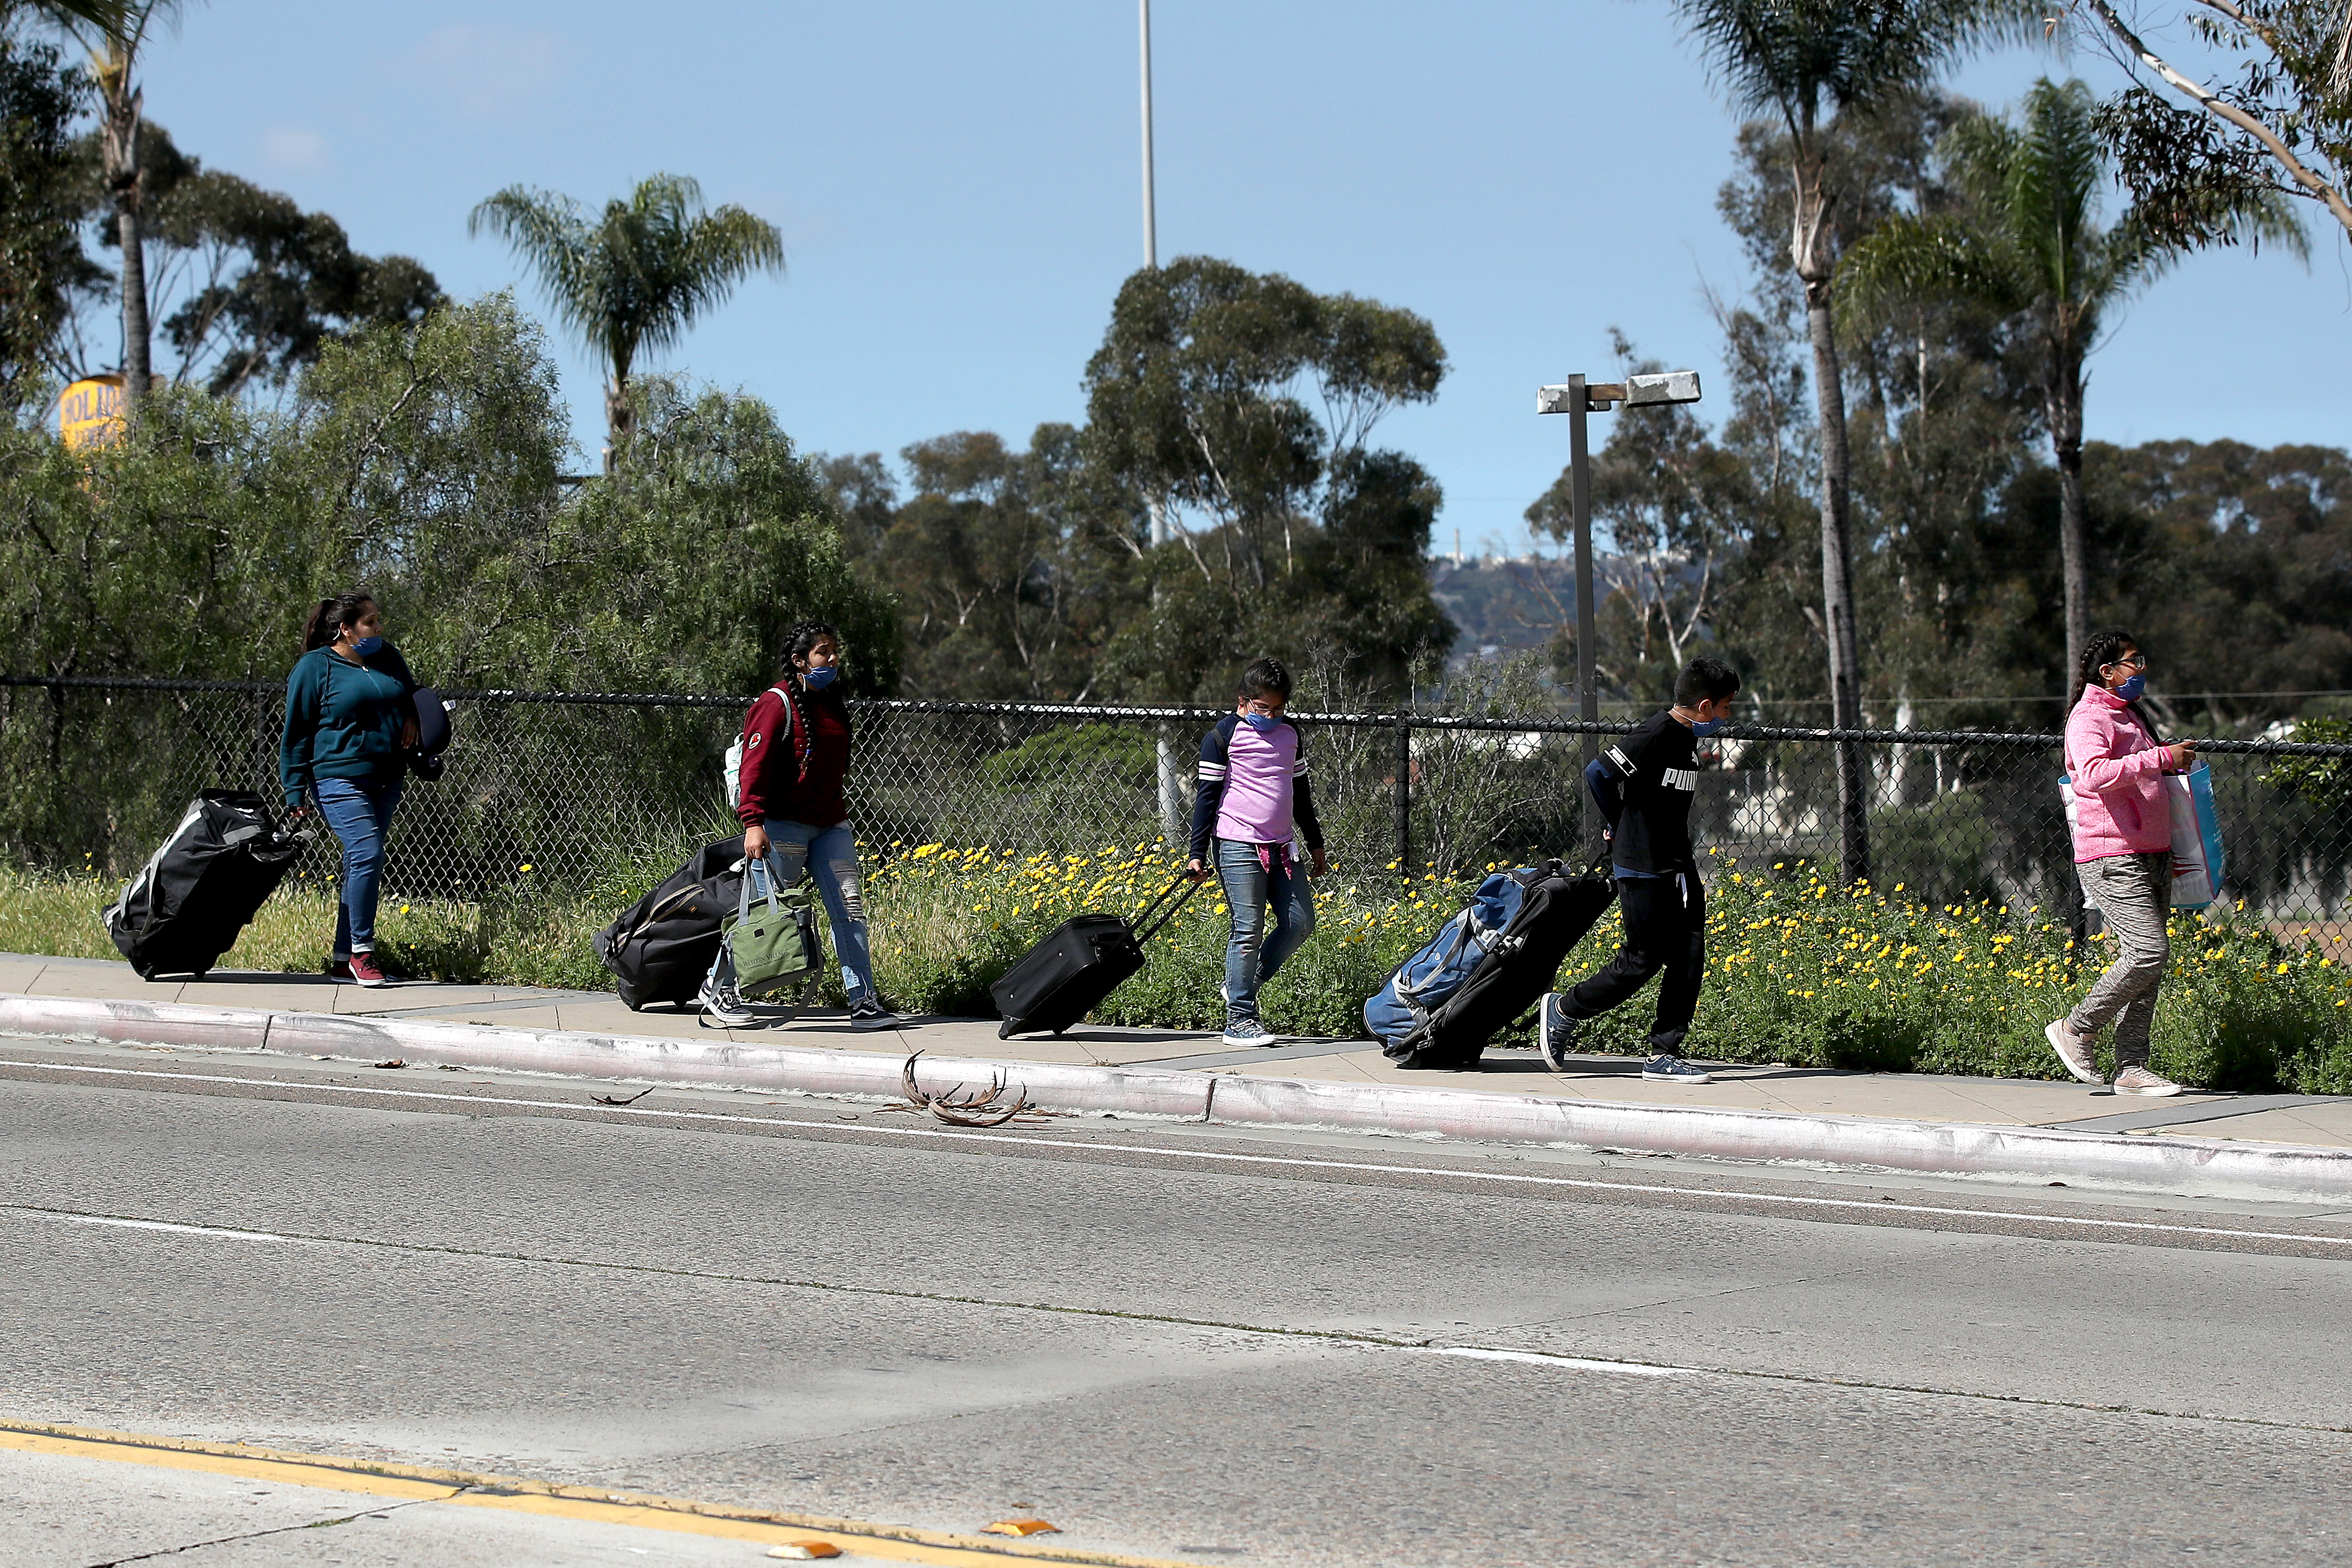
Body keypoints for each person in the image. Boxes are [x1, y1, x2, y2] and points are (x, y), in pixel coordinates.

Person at [1536, 656, 1741, 1083]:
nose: (1727, 716)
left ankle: (1664, 1053)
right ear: (1705, 706)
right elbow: (1599, 773)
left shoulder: (1686, 740)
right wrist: (1618, 823)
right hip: (1643, 864)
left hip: (1677, 864)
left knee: (1688, 953)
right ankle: (1563, 1009)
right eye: (1725, 707)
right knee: (1642, 959)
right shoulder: (1657, 733)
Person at [699, 621, 898, 1033]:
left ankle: (863, 1001)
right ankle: (719, 987)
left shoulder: (830, 702)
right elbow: (754, 769)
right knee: (765, 914)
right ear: (799, 660)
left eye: (834, 651)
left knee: (849, 910)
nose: (833, 659)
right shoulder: (776, 704)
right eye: (824, 652)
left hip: (830, 826)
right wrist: (753, 823)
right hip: (781, 828)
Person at [2046, 630, 2192, 1097]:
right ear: (2107, 672)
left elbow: (2145, 774)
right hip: (2111, 853)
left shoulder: (2132, 715)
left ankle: (2132, 1068)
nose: (2141, 670)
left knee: (2147, 967)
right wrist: (2159, 757)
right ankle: (2076, 1027)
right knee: (2148, 952)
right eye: (2133, 661)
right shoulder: (2088, 717)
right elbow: (2091, 775)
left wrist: (2166, 765)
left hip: (2152, 851)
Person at [280, 590, 419, 988]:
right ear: (346, 629)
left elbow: (409, 693)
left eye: (379, 619)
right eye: (370, 621)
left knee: (361, 862)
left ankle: (343, 960)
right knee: (366, 851)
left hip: (387, 776)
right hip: (336, 777)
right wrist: (295, 792)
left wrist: (411, 715)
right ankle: (362, 952)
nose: (379, 627)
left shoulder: (387, 657)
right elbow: (296, 734)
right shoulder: (314, 667)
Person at [1187, 656, 1328, 1048]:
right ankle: (1240, 1019)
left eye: (1278, 708)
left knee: (1300, 922)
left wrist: (1316, 843)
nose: (1270, 715)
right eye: (1262, 707)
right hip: (1236, 843)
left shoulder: (1290, 735)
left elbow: (1301, 795)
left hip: (1282, 846)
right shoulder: (1223, 736)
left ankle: (1239, 983)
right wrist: (1197, 852)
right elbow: (1206, 798)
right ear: (1243, 702)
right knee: (1247, 930)